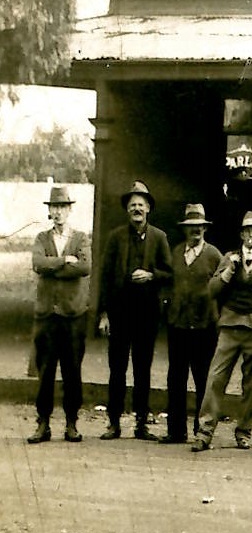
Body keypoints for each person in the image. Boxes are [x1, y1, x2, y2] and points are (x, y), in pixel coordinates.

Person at [96, 180, 173, 441]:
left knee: (143, 369)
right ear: (127, 209)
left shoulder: (159, 237)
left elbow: (169, 273)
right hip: (119, 314)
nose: (136, 209)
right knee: (117, 369)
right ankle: (114, 423)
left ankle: (142, 424)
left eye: (141, 204)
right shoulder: (115, 237)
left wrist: (151, 275)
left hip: (146, 315)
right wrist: (104, 314)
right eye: (132, 205)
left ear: (148, 208)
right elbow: (104, 277)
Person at [193, 211, 252, 452]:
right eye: (247, 231)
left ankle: (244, 432)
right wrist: (228, 271)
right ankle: (205, 432)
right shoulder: (229, 258)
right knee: (216, 378)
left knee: (251, 384)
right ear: (241, 234)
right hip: (229, 326)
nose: (251, 236)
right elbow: (211, 290)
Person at [28, 185, 92, 445]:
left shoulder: (81, 238)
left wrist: (54, 267)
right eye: (54, 207)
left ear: (69, 210)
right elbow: (37, 264)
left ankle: (71, 423)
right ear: (49, 211)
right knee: (45, 370)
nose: (58, 212)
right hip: (47, 315)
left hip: (73, 315)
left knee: (72, 370)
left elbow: (85, 267)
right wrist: (65, 261)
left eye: (63, 207)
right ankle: (42, 423)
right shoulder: (41, 238)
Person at [161, 204, 223, 444]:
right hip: (178, 325)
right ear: (185, 230)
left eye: (199, 227)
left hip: (204, 327)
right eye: (190, 227)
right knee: (175, 378)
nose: (195, 231)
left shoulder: (214, 255)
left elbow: (223, 289)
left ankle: (202, 431)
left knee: (202, 379)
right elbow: (167, 281)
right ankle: (176, 431)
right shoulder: (176, 253)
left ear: (204, 229)